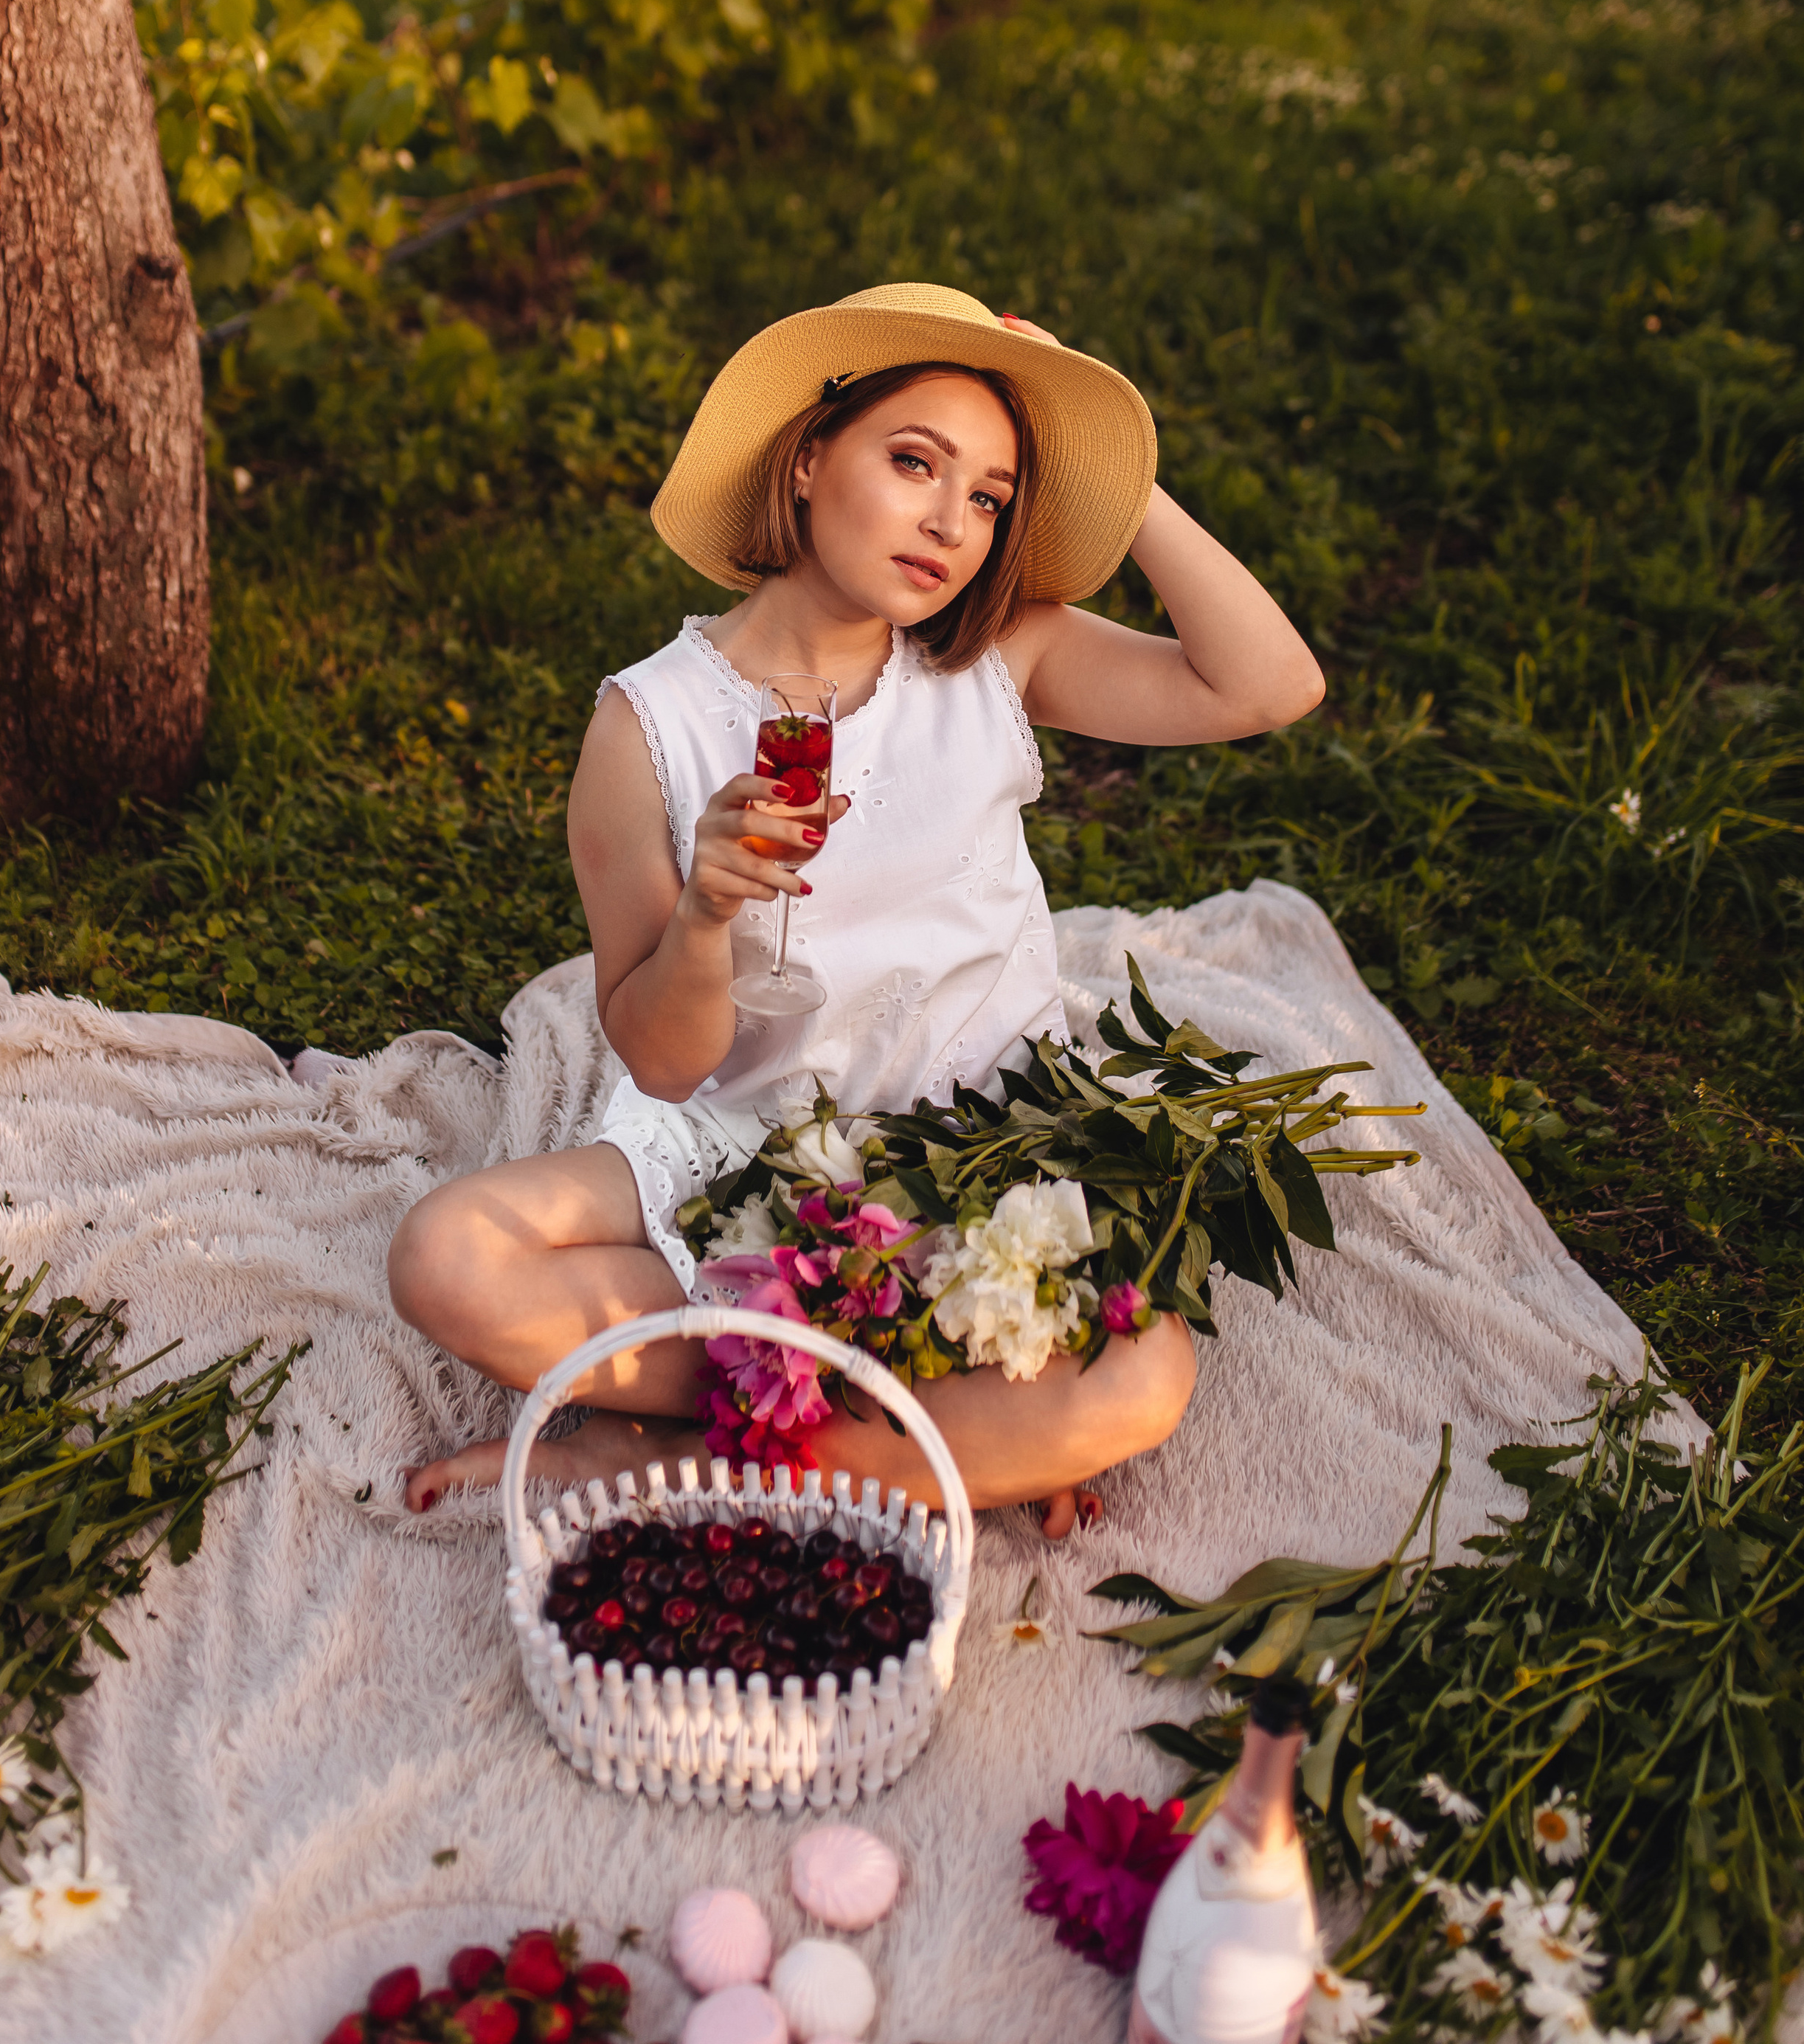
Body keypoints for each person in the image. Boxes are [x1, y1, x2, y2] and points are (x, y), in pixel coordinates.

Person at [392, 283, 1324, 1537]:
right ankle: (899, 1432)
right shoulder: (648, 730)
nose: (951, 522)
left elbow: (1267, 685)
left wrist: (1119, 474)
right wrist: (709, 914)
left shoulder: (993, 660)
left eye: (990, 497)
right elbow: (666, 1063)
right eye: (914, 462)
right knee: (446, 1256)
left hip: (978, 1148)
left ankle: (673, 1458)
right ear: (811, 454)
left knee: (1142, 1380)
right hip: (747, 1148)